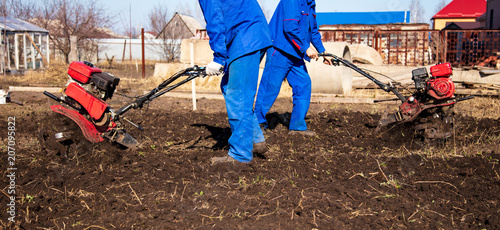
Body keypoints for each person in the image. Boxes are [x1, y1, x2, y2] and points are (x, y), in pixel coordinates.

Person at [198, 0, 272, 164]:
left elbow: (215, 19)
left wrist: (218, 58)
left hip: (245, 37)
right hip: (253, 33)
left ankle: (240, 155)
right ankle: (255, 140)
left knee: (238, 95)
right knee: (229, 88)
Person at [254, 0, 333, 136]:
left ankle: (297, 126)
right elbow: (290, 27)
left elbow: (313, 31)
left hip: (295, 53)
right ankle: (255, 124)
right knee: (270, 88)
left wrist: (324, 52)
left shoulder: (310, 3)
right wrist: (306, 47)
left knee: (303, 84)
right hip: (280, 50)